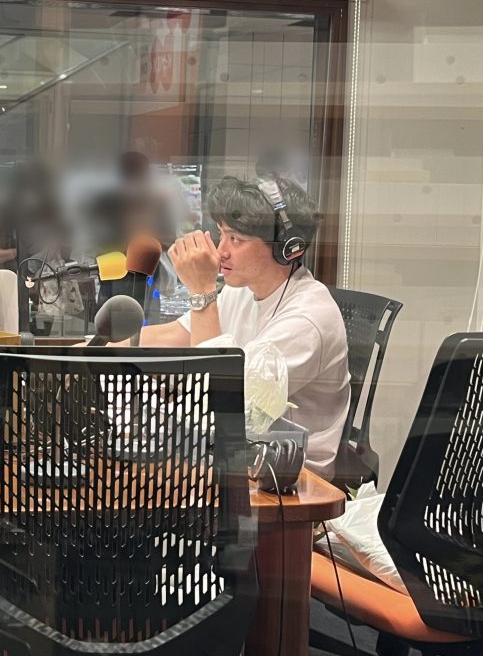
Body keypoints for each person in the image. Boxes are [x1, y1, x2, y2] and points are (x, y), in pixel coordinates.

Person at [137, 175, 350, 478]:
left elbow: (224, 407)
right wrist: (96, 346)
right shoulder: (242, 290)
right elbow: (179, 334)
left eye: (235, 239)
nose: (220, 250)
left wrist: (202, 291)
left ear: (287, 248)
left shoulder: (307, 320)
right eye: (221, 234)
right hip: (232, 459)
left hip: (288, 483)